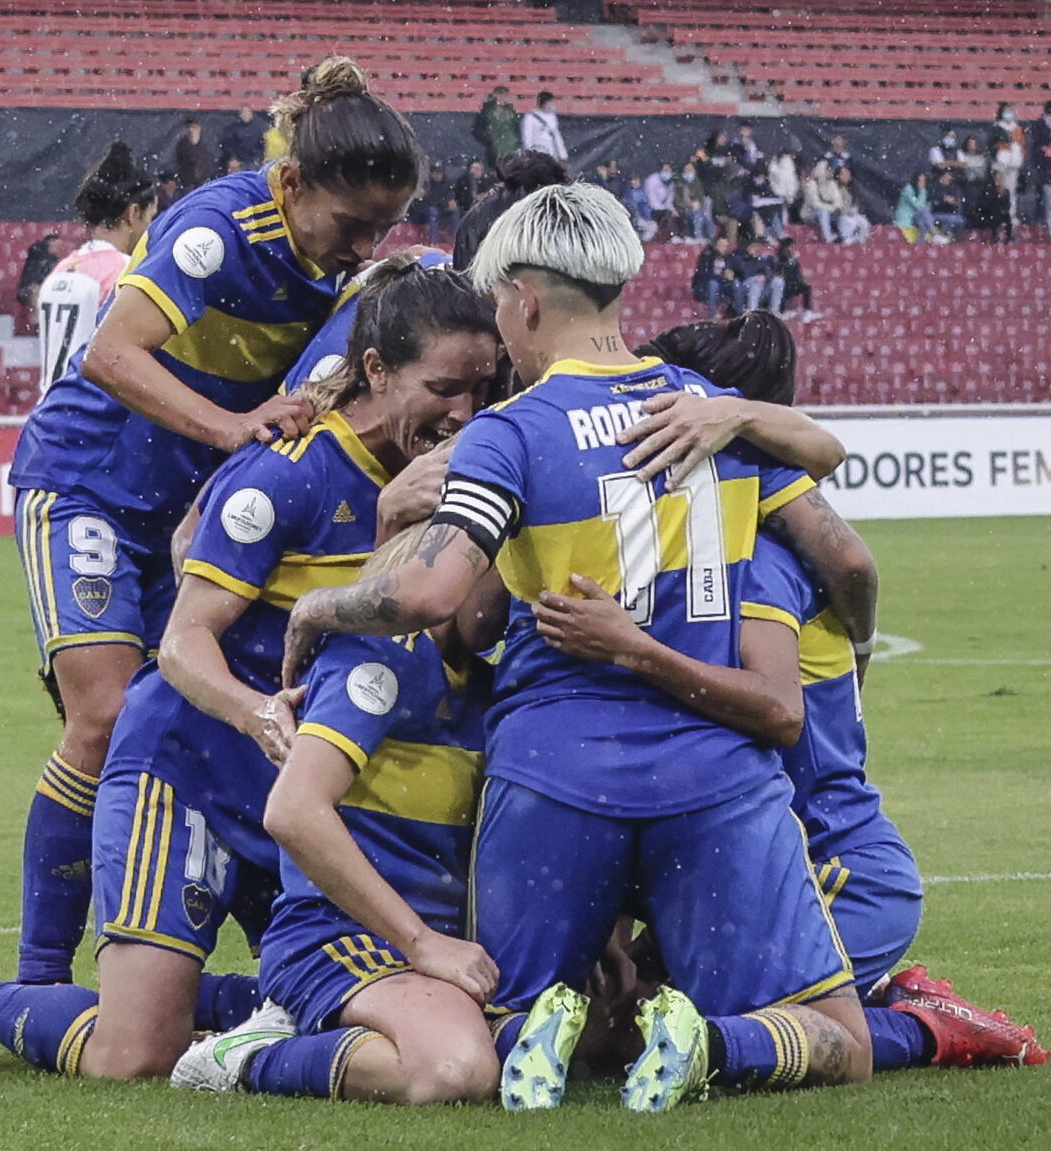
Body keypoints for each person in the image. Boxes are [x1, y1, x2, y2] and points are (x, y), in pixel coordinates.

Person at [280, 183, 875, 1114]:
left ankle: (541, 1030)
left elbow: (433, 594)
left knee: (505, 1025)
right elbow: (832, 502)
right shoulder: (708, 409)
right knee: (840, 1042)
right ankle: (710, 1042)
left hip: (554, 777)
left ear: (521, 297)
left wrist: (322, 607)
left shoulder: (509, 433)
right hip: (713, 772)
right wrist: (748, 415)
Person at [0, 256, 500, 1086]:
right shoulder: (288, 470)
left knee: (332, 985)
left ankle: (238, 1025)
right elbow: (181, 642)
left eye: (482, 390)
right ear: (377, 370)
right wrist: (253, 712)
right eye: (445, 388)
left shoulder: (446, 479)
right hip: (191, 758)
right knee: (131, 1056)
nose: (465, 413)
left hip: (302, 782)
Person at [1, 56, 423, 992]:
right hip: (88, 484)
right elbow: (112, 355)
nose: (363, 247)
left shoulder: (344, 267)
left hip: (189, 508)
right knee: (106, 715)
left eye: (381, 228)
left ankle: (238, 965)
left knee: (197, 713)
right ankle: (35, 980)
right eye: (351, 224)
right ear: (294, 181)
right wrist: (231, 429)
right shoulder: (216, 228)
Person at [557, 312, 1051, 1074]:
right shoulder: (711, 553)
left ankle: (926, 1027)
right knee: (612, 1029)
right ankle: (872, 991)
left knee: (680, 1033)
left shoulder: (755, 564)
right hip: (745, 860)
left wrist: (630, 647)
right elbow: (851, 560)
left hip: (835, 867)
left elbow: (789, 683)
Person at [170, 522, 502, 1104]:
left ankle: (252, 1008)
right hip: (342, 935)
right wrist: (422, 942)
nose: (516, 585)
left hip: (445, 948)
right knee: (455, 1069)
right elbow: (293, 813)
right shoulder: (377, 656)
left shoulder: (489, 678)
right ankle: (248, 1057)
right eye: (503, 565)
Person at [36, 141, 159, 390]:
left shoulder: (62, 268)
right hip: (88, 415)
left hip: (48, 410)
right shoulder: (127, 272)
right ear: (133, 213)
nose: (152, 228)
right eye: (151, 217)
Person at [730, 235, 784, 313]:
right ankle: (752, 313)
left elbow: (768, 272)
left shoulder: (761, 258)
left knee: (778, 281)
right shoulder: (739, 256)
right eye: (754, 245)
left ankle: (774, 312)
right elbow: (745, 273)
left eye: (758, 246)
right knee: (755, 284)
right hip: (744, 286)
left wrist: (766, 277)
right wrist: (753, 259)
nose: (757, 248)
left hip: (761, 286)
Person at [470, 85, 521, 167]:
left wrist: (516, 142)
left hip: (509, 149)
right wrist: (489, 140)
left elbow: (516, 128)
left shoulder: (511, 111)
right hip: (494, 149)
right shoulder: (487, 110)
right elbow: (476, 129)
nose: (502, 97)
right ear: (495, 95)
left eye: (504, 94)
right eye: (500, 94)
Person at [410, 160, 458, 245]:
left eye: (440, 173)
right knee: (433, 213)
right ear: (431, 174)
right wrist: (445, 204)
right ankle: (434, 241)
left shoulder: (446, 183)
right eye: (436, 173)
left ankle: (455, 238)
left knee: (455, 212)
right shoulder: (427, 184)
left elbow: (450, 195)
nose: (439, 175)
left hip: (442, 209)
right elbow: (429, 200)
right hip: (425, 211)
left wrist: (452, 202)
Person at [775, 236, 820, 322]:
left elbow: (797, 274)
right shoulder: (778, 259)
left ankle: (807, 312)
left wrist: (801, 281)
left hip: (794, 283)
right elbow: (780, 274)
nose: (791, 249)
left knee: (806, 287)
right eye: (789, 247)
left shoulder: (794, 260)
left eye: (793, 247)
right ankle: (782, 311)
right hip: (784, 284)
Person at [16, 233, 65, 310]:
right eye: (57, 247)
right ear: (50, 245)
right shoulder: (39, 259)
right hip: (31, 291)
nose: (60, 249)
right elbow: (34, 280)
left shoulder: (53, 261)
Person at [691, 233, 734, 319]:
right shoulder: (706, 256)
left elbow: (736, 272)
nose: (723, 248)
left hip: (723, 285)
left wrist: (731, 277)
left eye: (725, 246)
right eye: (721, 245)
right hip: (704, 286)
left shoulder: (730, 258)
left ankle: (735, 313)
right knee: (713, 284)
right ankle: (712, 314)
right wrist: (721, 277)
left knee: (736, 285)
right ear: (715, 245)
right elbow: (703, 275)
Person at [895, 172, 945, 245]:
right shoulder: (908, 189)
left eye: (923, 181)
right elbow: (918, 206)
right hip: (906, 218)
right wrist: (922, 190)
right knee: (923, 212)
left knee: (922, 218)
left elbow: (928, 207)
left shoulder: (924, 191)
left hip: (917, 217)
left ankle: (921, 242)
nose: (922, 183)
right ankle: (934, 234)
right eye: (920, 180)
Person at [520, 91, 567, 162]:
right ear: (544, 103)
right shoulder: (530, 117)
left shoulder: (552, 117)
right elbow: (527, 136)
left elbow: (556, 136)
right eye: (549, 102)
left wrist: (563, 154)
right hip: (537, 152)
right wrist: (528, 152)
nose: (551, 105)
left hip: (551, 152)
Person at [219, 105, 267, 170]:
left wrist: (258, 157)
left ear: (252, 114)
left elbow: (261, 145)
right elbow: (227, 145)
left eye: (248, 112)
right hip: (238, 161)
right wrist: (233, 157)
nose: (246, 115)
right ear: (240, 115)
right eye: (244, 112)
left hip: (253, 161)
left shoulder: (259, 128)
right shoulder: (232, 129)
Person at [174, 120, 214, 190]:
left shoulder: (205, 145)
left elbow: (208, 162)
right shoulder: (182, 145)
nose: (194, 133)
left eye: (196, 130)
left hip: (202, 182)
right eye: (192, 131)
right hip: (187, 182)